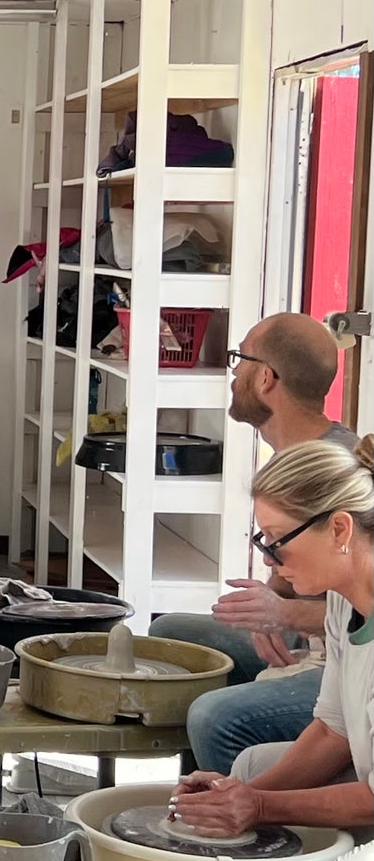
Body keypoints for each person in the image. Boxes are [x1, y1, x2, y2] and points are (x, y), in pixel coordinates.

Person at [173, 437, 374, 861]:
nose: (269, 561)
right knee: (249, 767)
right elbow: (333, 731)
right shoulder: (343, 601)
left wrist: (259, 806)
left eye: (278, 540)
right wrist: (236, 795)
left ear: (340, 529)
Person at [150, 313, 360, 772]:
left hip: (343, 663)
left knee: (215, 717)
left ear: (265, 378)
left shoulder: (335, 469)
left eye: (238, 359)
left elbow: (361, 616)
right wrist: (267, 606)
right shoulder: (292, 456)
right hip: (313, 638)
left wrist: (283, 615)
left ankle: (244, 806)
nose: (233, 374)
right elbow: (291, 573)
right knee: (168, 636)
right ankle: (197, 792)